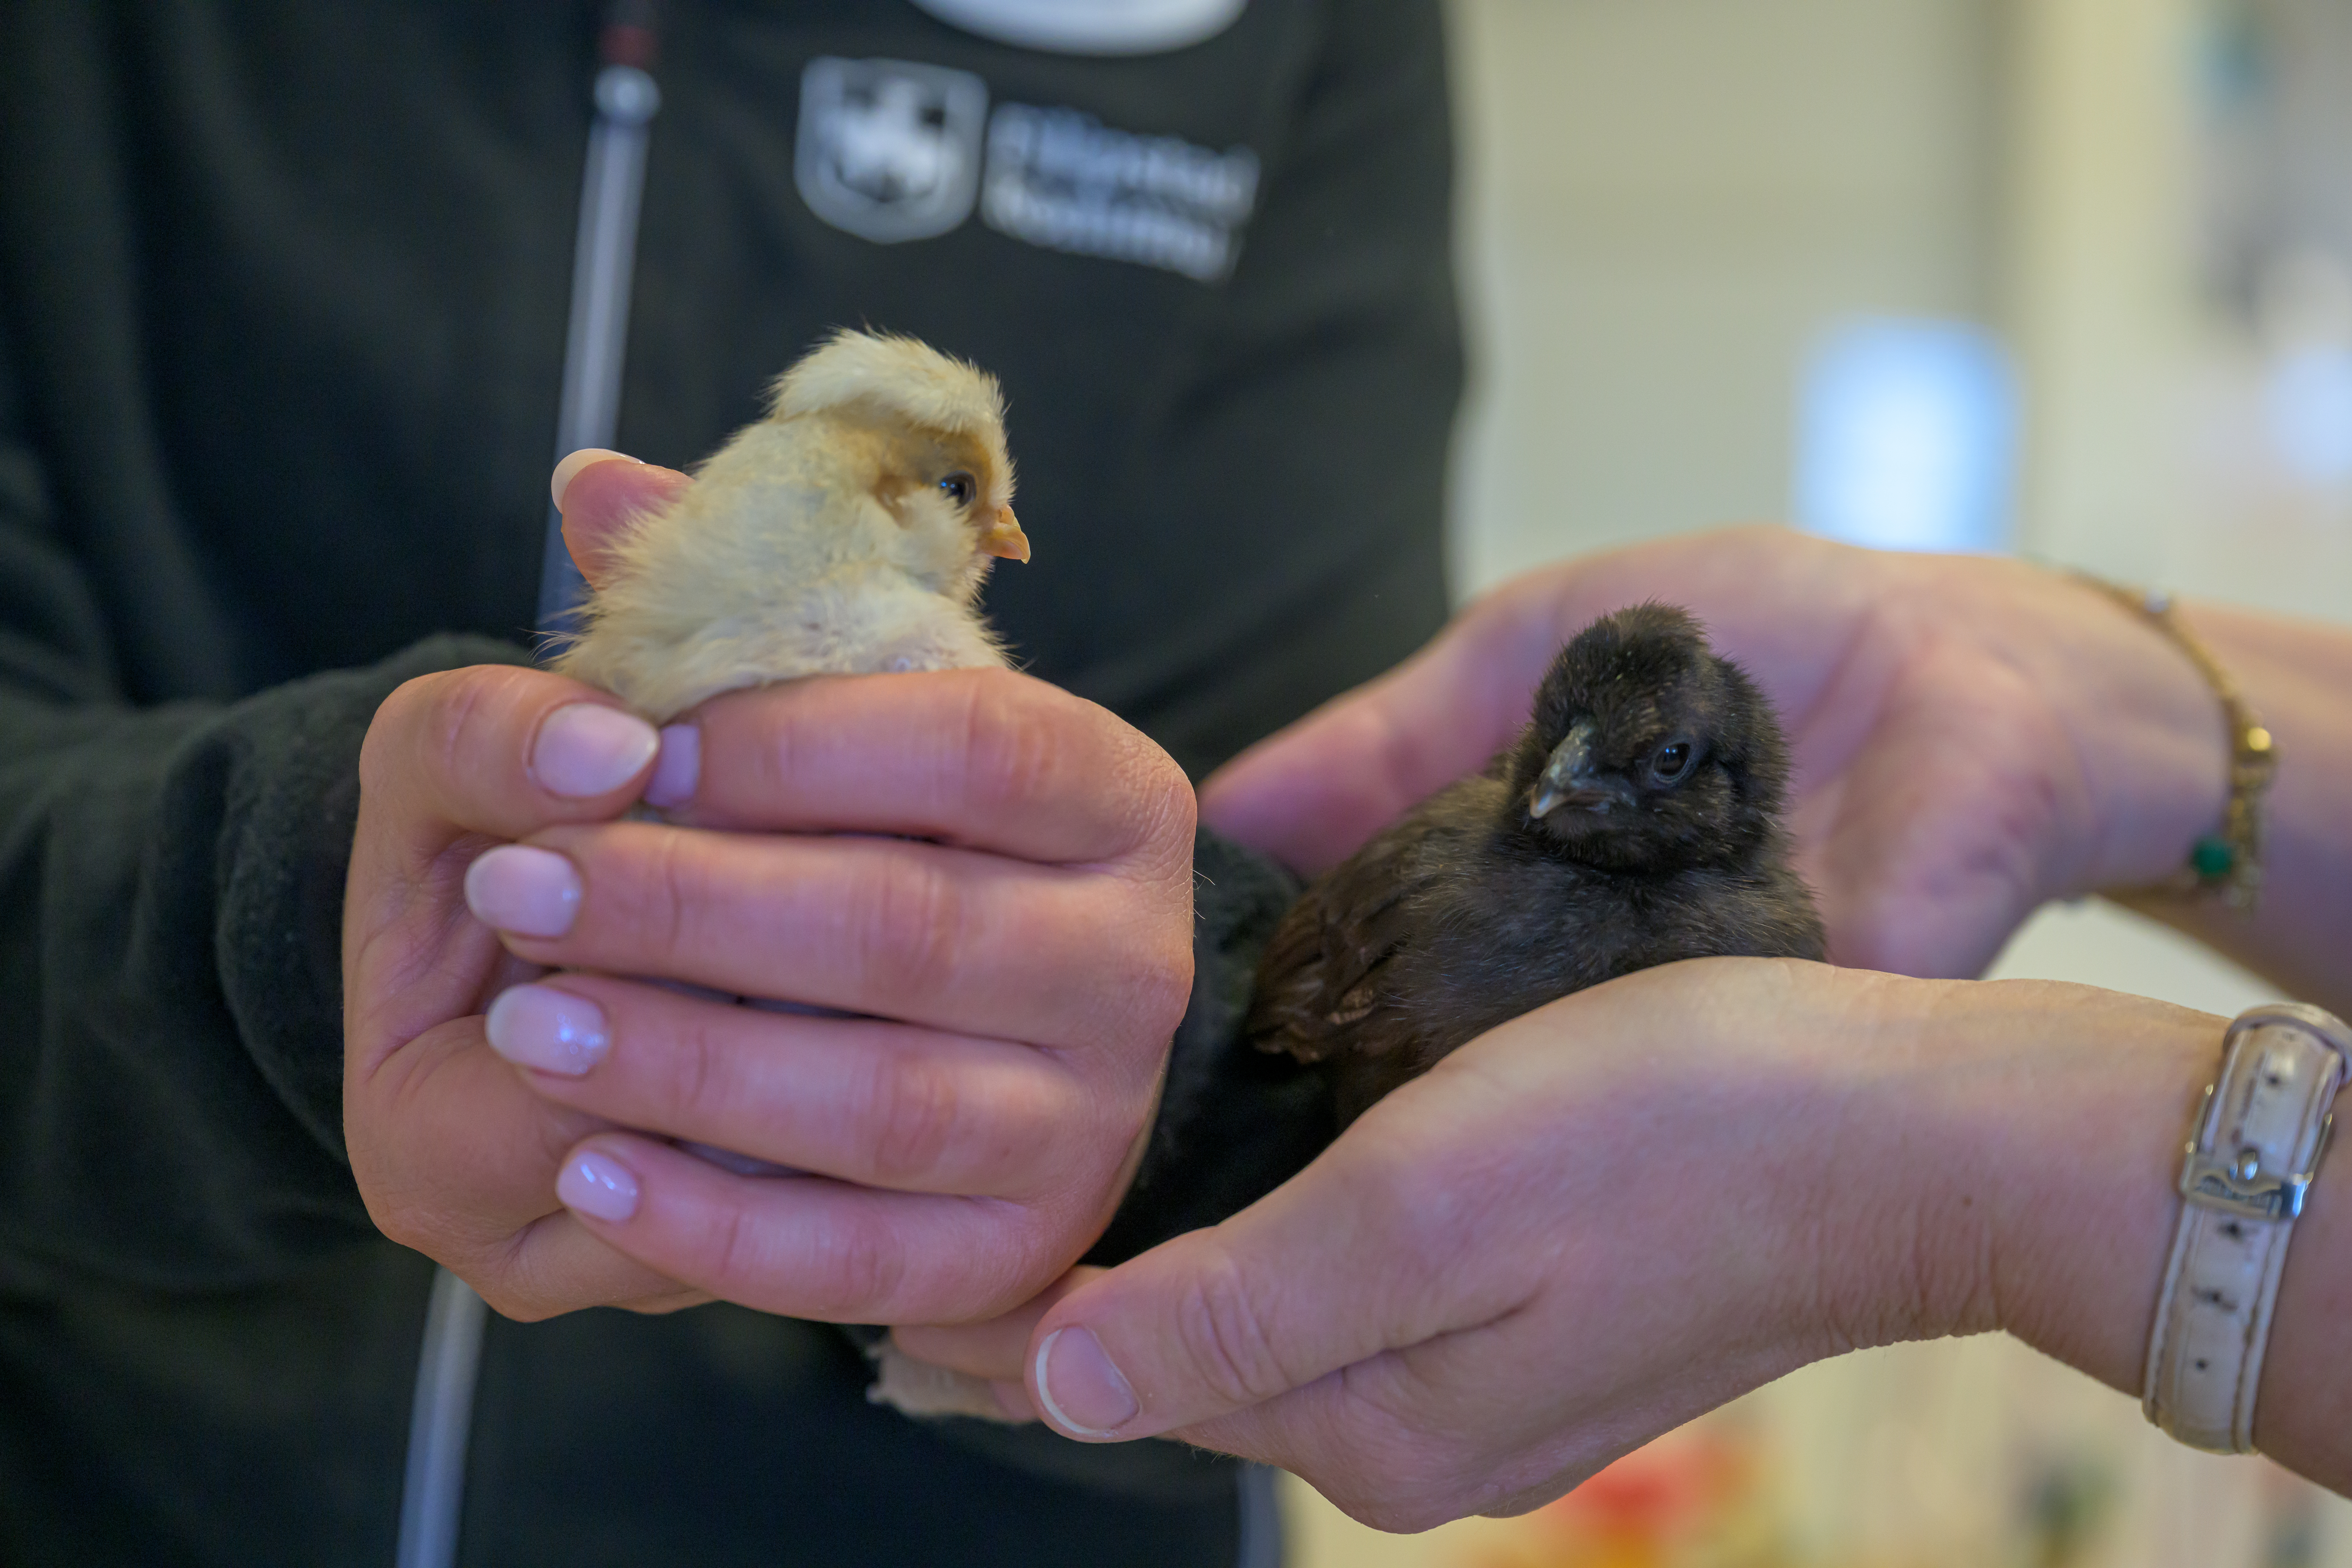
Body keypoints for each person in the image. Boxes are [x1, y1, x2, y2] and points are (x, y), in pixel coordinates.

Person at [0, 2, 1457, 1561]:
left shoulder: (1294, 35)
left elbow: (1295, 945)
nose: (1000, 534)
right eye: (976, 500)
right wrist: (295, 910)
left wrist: (1104, 1125)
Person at [898, 525, 2352, 1528]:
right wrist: (2062, 700)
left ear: (1727, 787)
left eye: (1644, 765)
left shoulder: (1771, 957)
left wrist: (1953, 1180)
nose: (1556, 790)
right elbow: (1286, 1011)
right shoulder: (1458, 892)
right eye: (1556, 752)